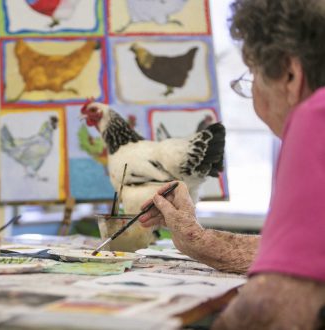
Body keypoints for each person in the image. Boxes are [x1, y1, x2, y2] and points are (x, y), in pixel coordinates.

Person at [138, 0, 325, 328]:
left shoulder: (315, 118)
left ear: (291, 75)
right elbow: (309, 259)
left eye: (252, 75)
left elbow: (271, 308)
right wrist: (197, 238)